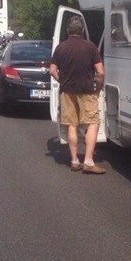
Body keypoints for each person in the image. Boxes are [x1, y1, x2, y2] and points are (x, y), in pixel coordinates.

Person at [49, 16, 105, 174]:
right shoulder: (90, 47)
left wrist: (62, 80)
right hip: (86, 91)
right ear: (81, 31)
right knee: (92, 123)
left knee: (71, 125)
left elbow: (52, 70)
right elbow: (100, 72)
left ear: (68, 31)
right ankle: (88, 161)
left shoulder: (60, 48)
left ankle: (74, 160)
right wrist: (97, 90)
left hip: (67, 92)